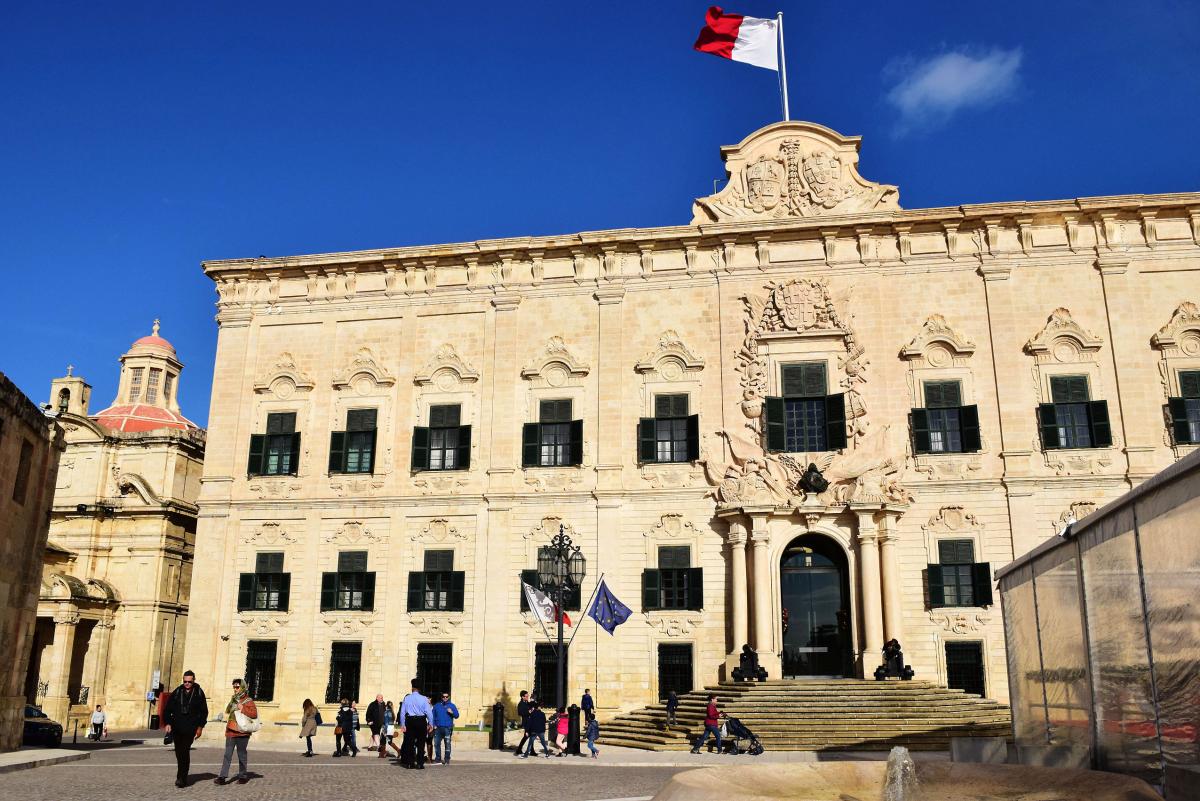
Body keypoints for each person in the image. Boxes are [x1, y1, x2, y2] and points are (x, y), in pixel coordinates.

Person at [163, 670, 208, 788]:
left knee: (184, 750)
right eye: (185, 681)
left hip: (190, 728)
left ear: (193, 681)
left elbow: (204, 712)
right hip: (177, 728)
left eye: (189, 682)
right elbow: (167, 709)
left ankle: (182, 778)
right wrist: (167, 723)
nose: (187, 684)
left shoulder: (199, 693)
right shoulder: (177, 692)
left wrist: (200, 727)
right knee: (179, 753)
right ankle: (181, 776)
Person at [216, 678, 257, 785]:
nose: (235, 689)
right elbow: (228, 711)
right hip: (231, 731)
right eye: (234, 687)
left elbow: (254, 714)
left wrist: (242, 708)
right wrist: (232, 702)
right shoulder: (233, 699)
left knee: (241, 754)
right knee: (227, 754)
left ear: (242, 687)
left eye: (237, 687)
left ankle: (243, 776)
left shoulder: (248, 700)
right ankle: (222, 777)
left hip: (242, 732)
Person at [399, 679, 433, 769]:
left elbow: (402, 712)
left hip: (410, 721)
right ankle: (420, 763)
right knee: (421, 743)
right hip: (421, 721)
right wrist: (431, 723)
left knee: (409, 743)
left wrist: (402, 724)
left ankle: (410, 763)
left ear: (412, 688)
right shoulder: (424, 698)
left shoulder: (407, 698)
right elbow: (429, 712)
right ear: (419, 689)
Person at [431, 690, 460, 765]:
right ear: (441, 697)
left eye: (446, 697)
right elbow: (432, 716)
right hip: (438, 728)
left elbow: (457, 716)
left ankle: (447, 759)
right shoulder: (437, 706)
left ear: (449, 697)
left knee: (447, 744)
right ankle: (438, 759)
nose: (445, 698)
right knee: (436, 744)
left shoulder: (452, 706)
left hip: (448, 728)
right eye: (443, 697)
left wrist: (452, 712)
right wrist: (433, 725)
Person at [514, 690, 531, 756]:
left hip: (530, 721)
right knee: (527, 736)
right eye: (526, 696)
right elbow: (520, 713)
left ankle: (519, 749)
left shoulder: (527, 703)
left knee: (530, 736)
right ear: (522, 697)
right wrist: (528, 712)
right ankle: (519, 750)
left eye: (528, 696)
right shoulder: (520, 704)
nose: (527, 697)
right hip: (526, 722)